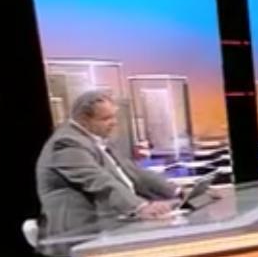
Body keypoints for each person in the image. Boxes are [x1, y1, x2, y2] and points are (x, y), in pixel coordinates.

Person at [35, 89, 182, 238]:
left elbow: (134, 173)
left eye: (113, 116)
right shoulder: (66, 143)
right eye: (106, 118)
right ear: (84, 119)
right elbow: (98, 181)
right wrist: (140, 207)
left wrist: (176, 191)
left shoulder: (97, 140)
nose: (114, 123)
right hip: (79, 232)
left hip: (114, 222)